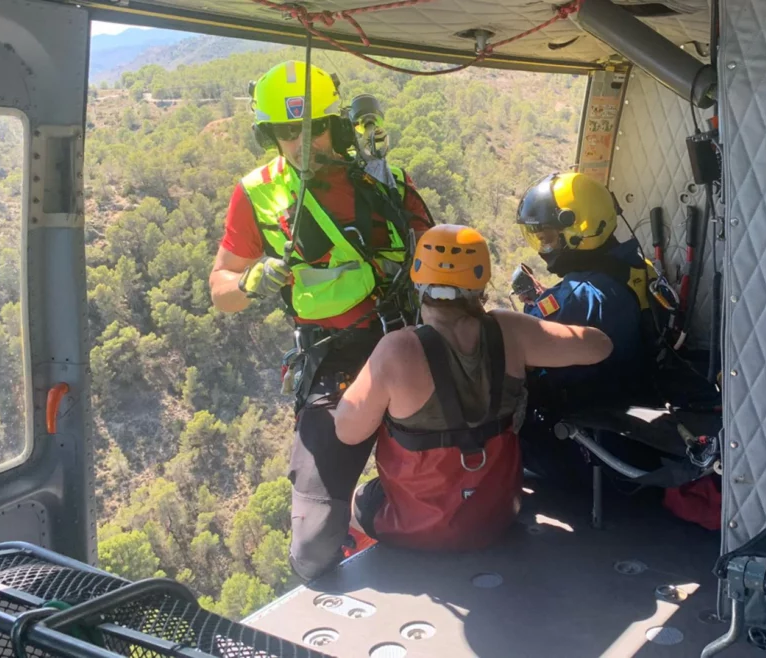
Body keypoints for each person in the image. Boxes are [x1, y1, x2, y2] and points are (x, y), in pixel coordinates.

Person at [209, 60, 434, 580]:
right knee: (311, 549)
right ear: (270, 134)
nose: (301, 141)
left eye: (313, 127)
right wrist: (249, 281)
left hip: (407, 348)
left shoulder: (387, 182)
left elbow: (436, 259)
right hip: (332, 361)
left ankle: (386, 506)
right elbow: (222, 289)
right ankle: (360, 518)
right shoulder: (257, 193)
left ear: (335, 125)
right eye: (288, 131)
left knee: (453, 490)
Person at [329, 224, 613, 550]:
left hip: (418, 526)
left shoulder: (396, 351)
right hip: (498, 513)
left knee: (359, 500)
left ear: (418, 281)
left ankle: (373, 562)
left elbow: (347, 431)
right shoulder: (511, 330)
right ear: (480, 281)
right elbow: (599, 346)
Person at [513, 171, 655, 411]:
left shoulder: (578, 296)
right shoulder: (636, 265)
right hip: (638, 388)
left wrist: (532, 303)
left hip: (593, 415)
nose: (542, 248)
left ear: (582, 230)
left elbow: (526, 339)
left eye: (547, 238)